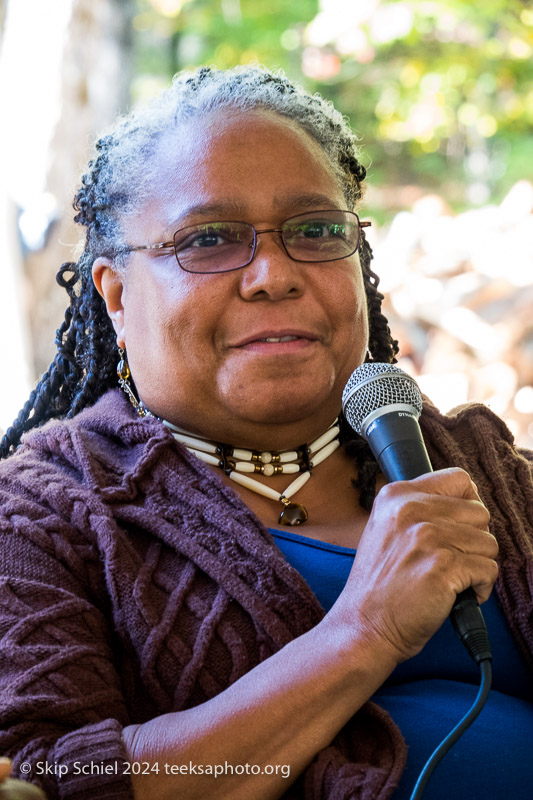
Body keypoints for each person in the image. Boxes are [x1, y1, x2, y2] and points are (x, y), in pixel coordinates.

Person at [0, 64, 531, 800]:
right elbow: (49, 778)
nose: (272, 275)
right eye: (210, 238)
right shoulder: (43, 515)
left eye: (315, 230)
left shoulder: (480, 465)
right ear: (117, 297)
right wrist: (362, 631)